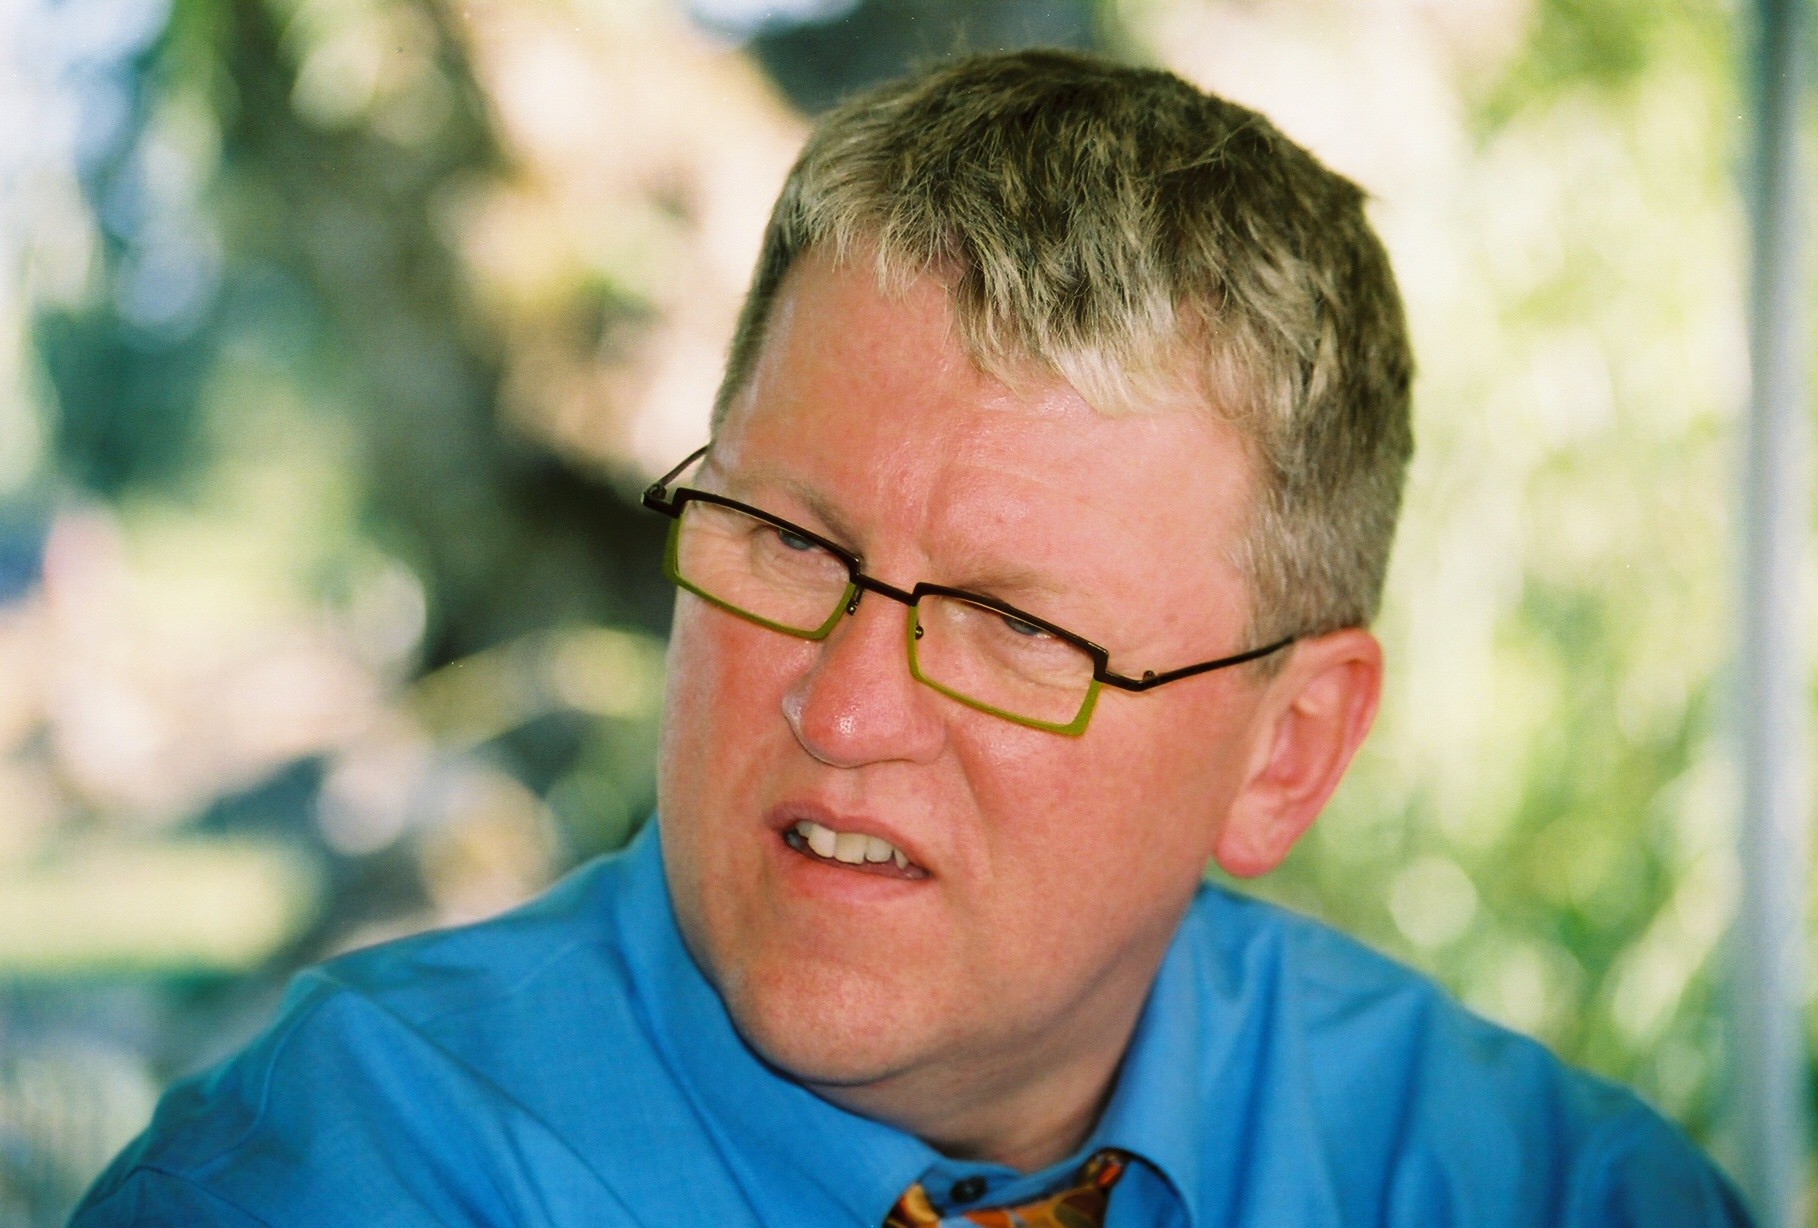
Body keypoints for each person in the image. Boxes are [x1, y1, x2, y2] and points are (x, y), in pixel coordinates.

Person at [72, 49, 1750, 1227]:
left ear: (1283, 753)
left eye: (1014, 624)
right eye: (789, 541)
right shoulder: (335, 1176)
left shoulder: (1528, 1186)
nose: (846, 702)